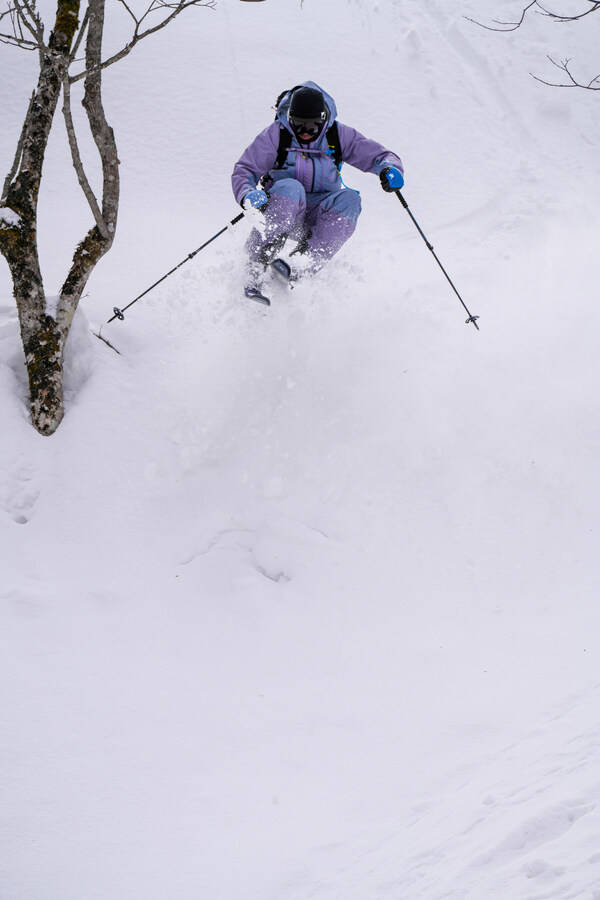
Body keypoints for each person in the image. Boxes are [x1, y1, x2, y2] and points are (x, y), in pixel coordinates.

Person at [231, 81, 404, 296]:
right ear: (289, 118)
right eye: (298, 124)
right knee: (291, 188)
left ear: (323, 120)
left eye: (311, 126)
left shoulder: (337, 135)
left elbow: (379, 155)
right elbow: (245, 169)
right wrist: (247, 194)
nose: (304, 132)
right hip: (284, 209)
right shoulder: (277, 134)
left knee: (350, 200)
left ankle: (299, 266)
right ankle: (256, 265)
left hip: (318, 215)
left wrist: (389, 168)